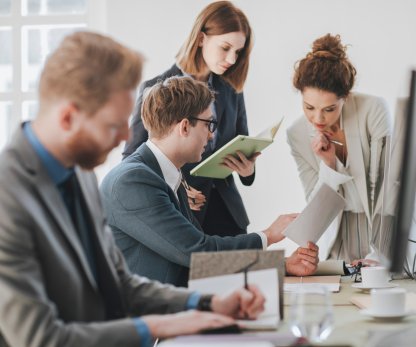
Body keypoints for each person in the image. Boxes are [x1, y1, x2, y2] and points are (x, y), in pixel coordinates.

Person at [0, 31, 268, 347]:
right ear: (69, 117)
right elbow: (41, 338)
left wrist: (204, 303)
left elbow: (119, 283)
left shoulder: (82, 175)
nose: (125, 139)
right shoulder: (9, 198)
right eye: (114, 125)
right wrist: (155, 327)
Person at [101, 76, 319, 288]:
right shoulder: (133, 181)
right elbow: (197, 252)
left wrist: (282, 265)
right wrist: (268, 235)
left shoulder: (164, 174)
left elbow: (204, 260)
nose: (212, 136)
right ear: (184, 127)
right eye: (209, 124)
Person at [123, 1, 257, 237]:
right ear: (202, 38)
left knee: (239, 273)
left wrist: (248, 171)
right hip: (180, 218)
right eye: (225, 47)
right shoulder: (155, 89)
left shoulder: (232, 90)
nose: (232, 59)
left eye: (238, 52)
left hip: (229, 216)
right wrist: (177, 189)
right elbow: (132, 163)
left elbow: (241, 142)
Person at [287, 34, 391, 264]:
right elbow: (316, 208)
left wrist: (380, 254)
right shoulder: (296, 134)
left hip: (382, 233)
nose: (318, 118)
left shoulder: (373, 110)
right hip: (338, 238)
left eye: (330, 109)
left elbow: (388, 186)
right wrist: (329, 165)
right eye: (309, 107)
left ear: (345, 97)